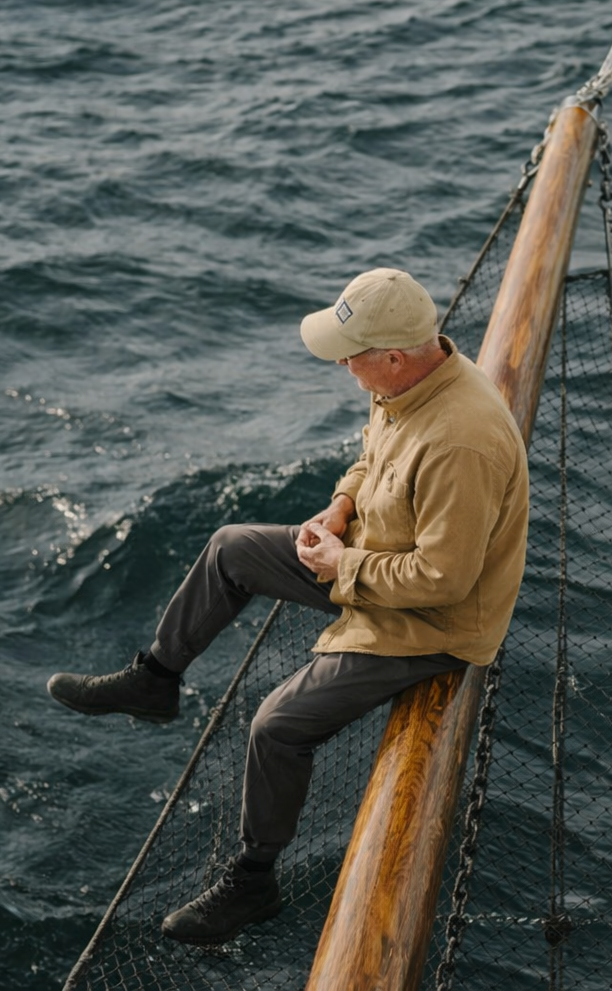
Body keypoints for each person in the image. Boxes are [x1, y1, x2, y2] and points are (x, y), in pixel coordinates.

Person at [45, 267, 531, 946]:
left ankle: (253, 880)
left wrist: (344, 566)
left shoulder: (461, 440)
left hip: (434, 624)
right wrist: (339, 509)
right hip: (368, 557)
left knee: (275, 726)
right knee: (231, 547)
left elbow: (446, 581)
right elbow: (372, 461)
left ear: (394, 354)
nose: (343, 366)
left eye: (350, 354)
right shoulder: (406, 380)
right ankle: (156, 679)